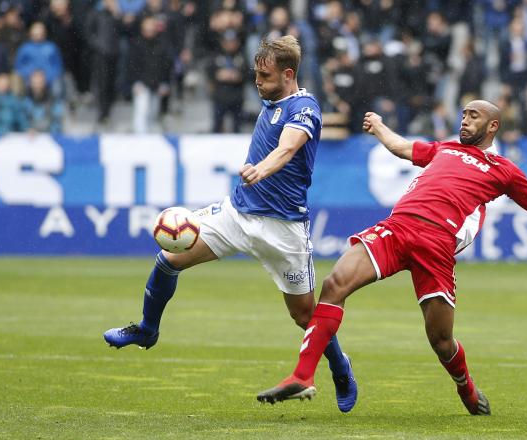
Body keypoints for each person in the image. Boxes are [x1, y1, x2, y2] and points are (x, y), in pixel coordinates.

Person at [256, 100, 527, 414]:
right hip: (397, 228)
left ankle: (465, 387)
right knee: (335, 284)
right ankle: (304, 375)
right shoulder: (444, 149)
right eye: (463, 115)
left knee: (441, 340)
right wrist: (380, 127)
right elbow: (403, 148)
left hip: (436, 244)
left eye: (473, 116)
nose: (465, 120)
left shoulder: (503, 171)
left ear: (492, 125)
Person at [103, 35, 358, 413]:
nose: (258, 81)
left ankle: (340, 367)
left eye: (265, 75)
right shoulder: (270, 101)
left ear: (289, 75)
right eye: (256, 73)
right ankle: (147, 329)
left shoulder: (304, 107)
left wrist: (261, 169)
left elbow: (288, 148)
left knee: (304, 314)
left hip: (283, 229)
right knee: (168, 259)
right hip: (237, 215)